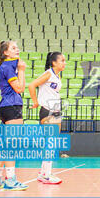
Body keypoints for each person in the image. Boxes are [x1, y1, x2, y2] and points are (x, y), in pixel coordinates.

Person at [0, 40, 28, 190]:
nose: (17, 49)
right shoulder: (7, 67)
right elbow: (19, 88)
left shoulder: (6, 66)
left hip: (6, 108)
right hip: (12, 108)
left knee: (5, 145)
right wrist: (22, 70)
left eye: (17, 47)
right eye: (13, 48)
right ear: (5, 52)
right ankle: (10, 179)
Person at [28, 51, 66, 184]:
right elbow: (31, 85)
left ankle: (43, 172)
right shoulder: (48, 73)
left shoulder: (57, 75)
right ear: (54, 62)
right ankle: (46, 175)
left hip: (55, 111)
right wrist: (35, 102)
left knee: (52, 143)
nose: (64, 63)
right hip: (48, 111)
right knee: (50, 143)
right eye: (62, 60)